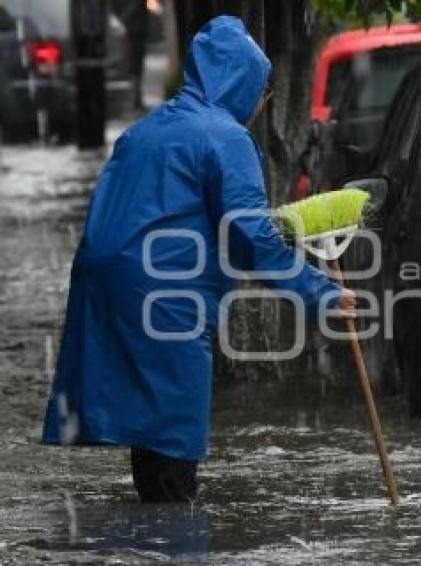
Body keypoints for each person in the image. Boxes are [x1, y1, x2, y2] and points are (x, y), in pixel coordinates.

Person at [42, 15, 356, 503]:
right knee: (172, 431)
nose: (259, 107)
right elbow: (248, 233)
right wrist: (321, 294)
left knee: (149, 425)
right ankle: (173, 540)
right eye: (261, 94)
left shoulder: (145, 130)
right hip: (163, 290)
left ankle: (149, 531)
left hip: (101, 284)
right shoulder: (225, 137)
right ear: (244, 84)